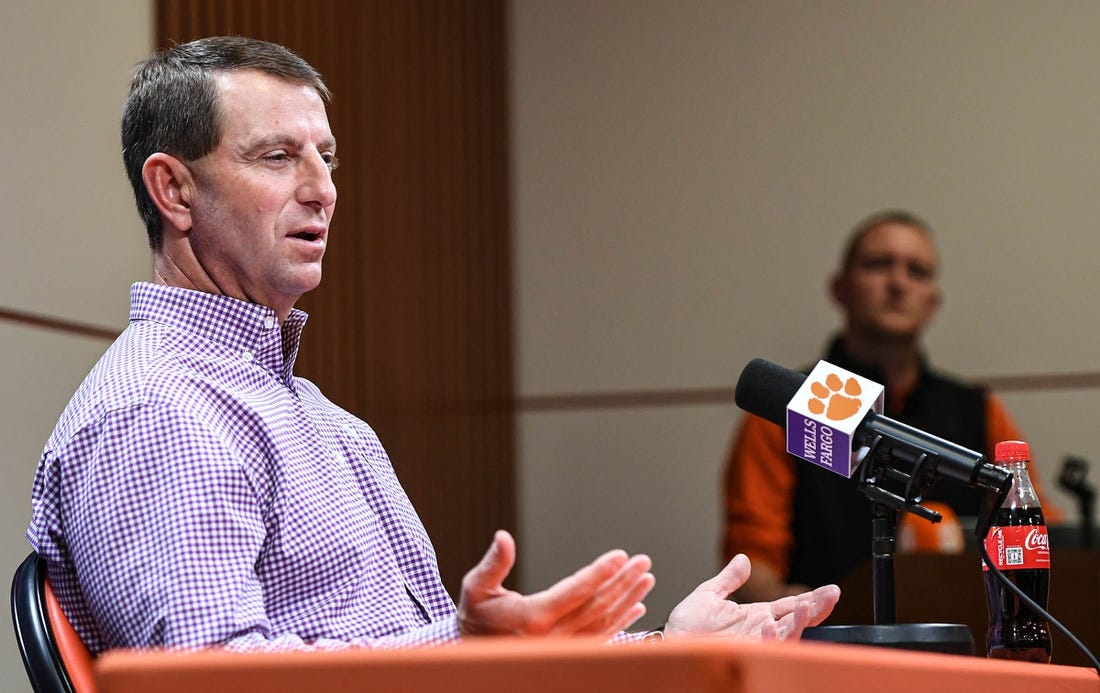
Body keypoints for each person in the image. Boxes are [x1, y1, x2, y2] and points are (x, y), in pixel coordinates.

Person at [26, 36, 838, 655]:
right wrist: (467, 644)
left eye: (328, 157)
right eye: (277, 157)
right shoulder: (156, 410)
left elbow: (431, 656)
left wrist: (666, 651)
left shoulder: (317, 415)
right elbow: (211, 676)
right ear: (172, 189)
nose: (322, 188)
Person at [721, 210, 1061, 603]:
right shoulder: (787, 408)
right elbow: (750, 576)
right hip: (830, 652)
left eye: (917, 271)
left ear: (933, 302)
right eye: (879, 264)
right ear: (840, 288)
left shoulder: (979, 409)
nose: (898, 283)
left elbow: (1042, 535)